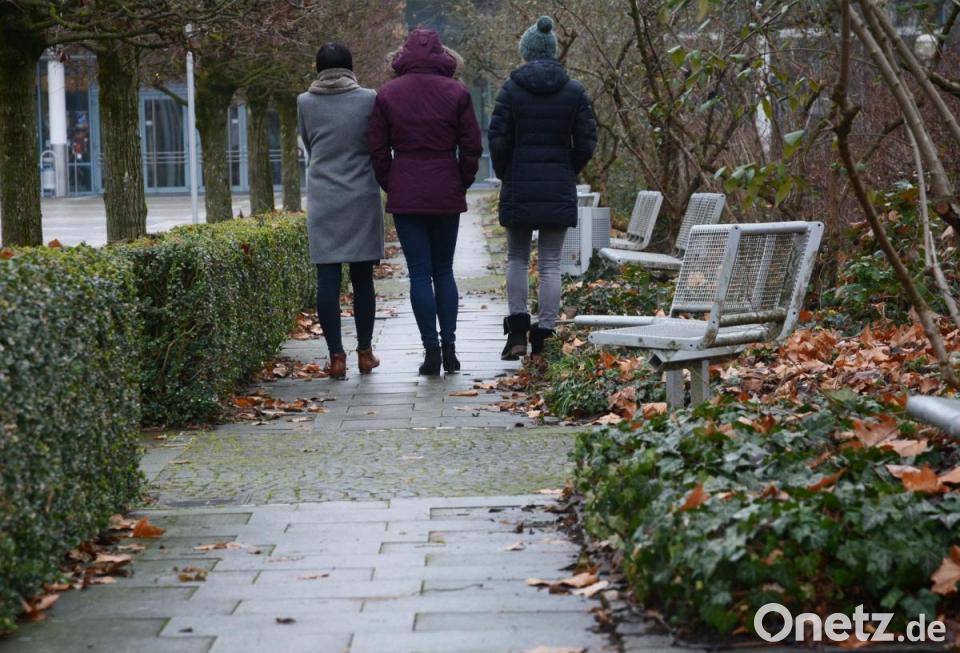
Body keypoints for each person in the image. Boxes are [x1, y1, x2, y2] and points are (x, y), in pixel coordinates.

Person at [368, 29, 483, 375]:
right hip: (445, 185)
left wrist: (392, 182)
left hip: (407, 188)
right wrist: (461, 180)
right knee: (444, 270)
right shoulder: (457, 91)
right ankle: (450, 348)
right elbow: (472, 145)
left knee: (419, 273)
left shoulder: (387, 93)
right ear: (442, 54)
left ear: (403, 56)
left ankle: (430, 351)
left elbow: (376, 148)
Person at [489, 16, 598, 360]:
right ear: (553, 52)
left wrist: (509, 172)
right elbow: (587, 141)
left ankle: (518, 331)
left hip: (520, 185)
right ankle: (546, 333)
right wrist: (567, 169)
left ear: (525, 53)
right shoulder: (574, 91)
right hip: (557, 186)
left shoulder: (511, 89)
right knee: (550, 262)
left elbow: (498, 140)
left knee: (517, 258)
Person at [298, 43, 384, 379]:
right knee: (363, 279)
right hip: (361, 194)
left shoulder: (305, 102)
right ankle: (365, 353)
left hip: (324, 197)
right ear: (350, 67)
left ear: (318, 68)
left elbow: (308, 143)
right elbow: (375, 141)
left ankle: (336, 357)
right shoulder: (369, 98)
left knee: (327, 279)